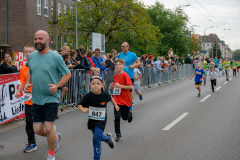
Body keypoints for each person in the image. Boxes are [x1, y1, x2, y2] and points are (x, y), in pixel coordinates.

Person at [24, 30, 71, 160]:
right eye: (36, 39)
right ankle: (55, 137)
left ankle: (51, 154)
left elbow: (67, 74)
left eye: (40, 39)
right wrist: (28, 83)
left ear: (48, 40)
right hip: (37, 98)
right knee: (37, 129)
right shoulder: (32, 56)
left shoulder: (55, 57)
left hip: (51, 97)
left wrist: (57, 86)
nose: (38, 41)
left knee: (49, 128)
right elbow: (30, 71)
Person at [77, 74, 119, 160]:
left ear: (102, 85)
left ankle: (96, 158)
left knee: (96, 138)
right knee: (98, 136)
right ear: (90, 85)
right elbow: (79, 104)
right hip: (92, 120)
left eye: (98, 84)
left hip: (101, 121)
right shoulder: (88, 96)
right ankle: (108, 138)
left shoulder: (105, 95)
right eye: (93, 84)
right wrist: (83, 109)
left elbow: (110, 98)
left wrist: (115, 105)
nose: (96, 85)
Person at [14, 45, 37, 153]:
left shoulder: (38, 65)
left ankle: (54, 137)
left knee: (43, 125)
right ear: (23, 54)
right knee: (29, 122)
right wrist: (19, 91)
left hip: (40, 99)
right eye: (26, 52)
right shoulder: (23, 68)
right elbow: (23, 82)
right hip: (28, 99)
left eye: (30, 52)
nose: (28, 54)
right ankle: (32, 143)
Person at [110, 59, 133, 142]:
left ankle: (129, 114)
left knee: (124, 117)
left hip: (124, 99)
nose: (118, 66)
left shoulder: (125, 75)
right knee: (117, 117)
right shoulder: (115, 76)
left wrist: (120, 86)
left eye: (120, 64)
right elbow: (115, 86)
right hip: (116, 99)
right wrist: (112, 86)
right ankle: (118, 134)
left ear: (123, 66)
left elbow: (130, 87)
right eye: (116, 64)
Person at [118, 42, 141, 121]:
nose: (123, 48)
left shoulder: (132, 55)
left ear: (128, 47)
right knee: (121, 91)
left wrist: (133, 65)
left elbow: (139, 62)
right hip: (121, 75)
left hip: (129, 76)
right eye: (122, 46)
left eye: (124, 47)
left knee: (130, 91)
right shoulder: (120, 55)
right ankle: (122, 106)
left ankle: (130, 106)